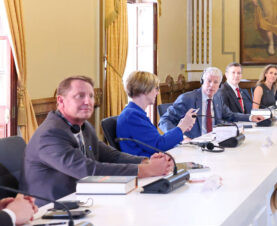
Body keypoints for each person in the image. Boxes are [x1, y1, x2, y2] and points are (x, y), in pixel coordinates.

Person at [23, 76, 173, 202]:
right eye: (80, 96)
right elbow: (88, 170)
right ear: (61, 101)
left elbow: (111, 156)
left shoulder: (83, 126)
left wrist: (146, 161)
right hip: (54, 210)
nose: (88, 102)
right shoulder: (50, 134)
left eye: (91, 96)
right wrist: (146, 170)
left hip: (85, 199)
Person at [159, 67, 264, 139]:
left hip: (215, 141)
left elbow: (230, 115)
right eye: (208, 81)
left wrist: (251, 117)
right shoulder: (188, 98)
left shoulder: (217, 98)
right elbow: (164, 121)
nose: (211, 85)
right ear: (202, 81)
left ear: (219, 85)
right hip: (194, 145)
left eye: (215, 82)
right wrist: (180, 137)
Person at [116, 71, 196, 157]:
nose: (157, 93)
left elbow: (157, 141)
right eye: (156, 89)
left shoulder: (134, 113)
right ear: (145, 90)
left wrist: (181, 126)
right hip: (145, 163)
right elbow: (159, 145)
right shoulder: (132, 116)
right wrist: (182, 127)